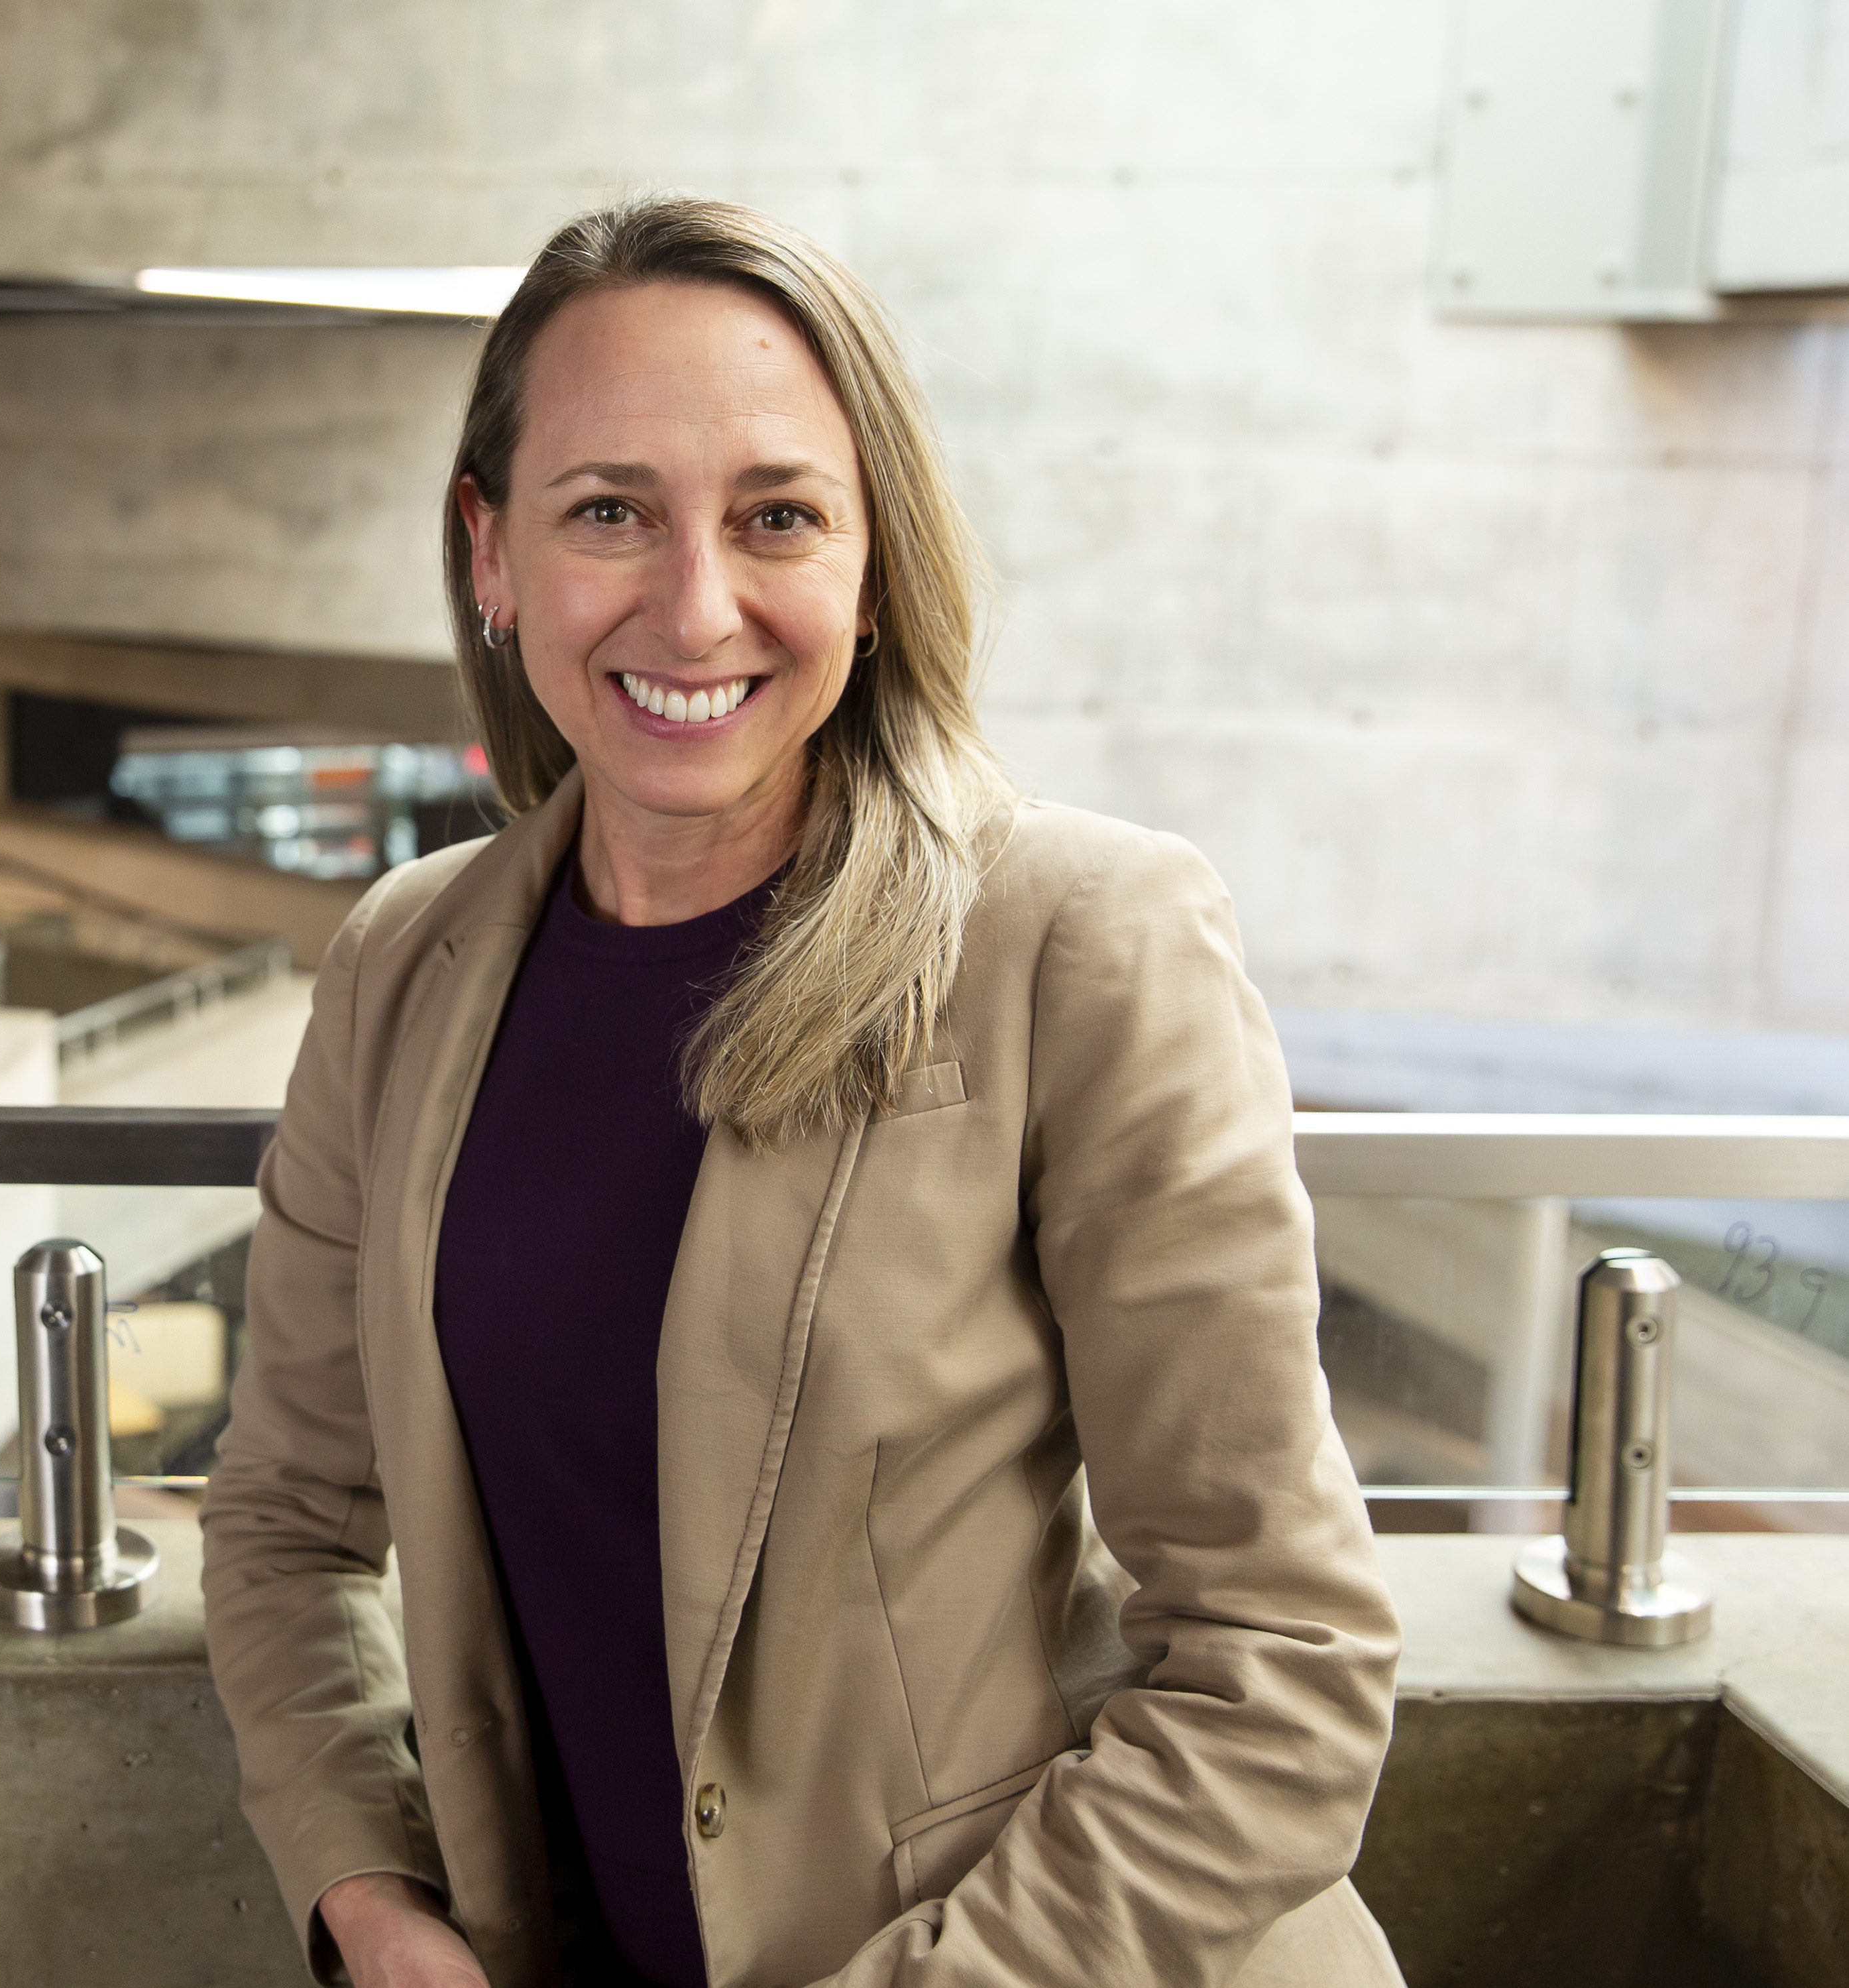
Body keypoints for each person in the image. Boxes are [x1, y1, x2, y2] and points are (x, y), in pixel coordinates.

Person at [199, 195, 1403, 1988]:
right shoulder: (401, 965)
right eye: (607, 512)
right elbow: (289, 1524)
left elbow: (1278, 1667)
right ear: (490, 551)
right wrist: (368, 1898)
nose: (696, 607)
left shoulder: (1073, 941)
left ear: (868, 558)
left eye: (777, 517)